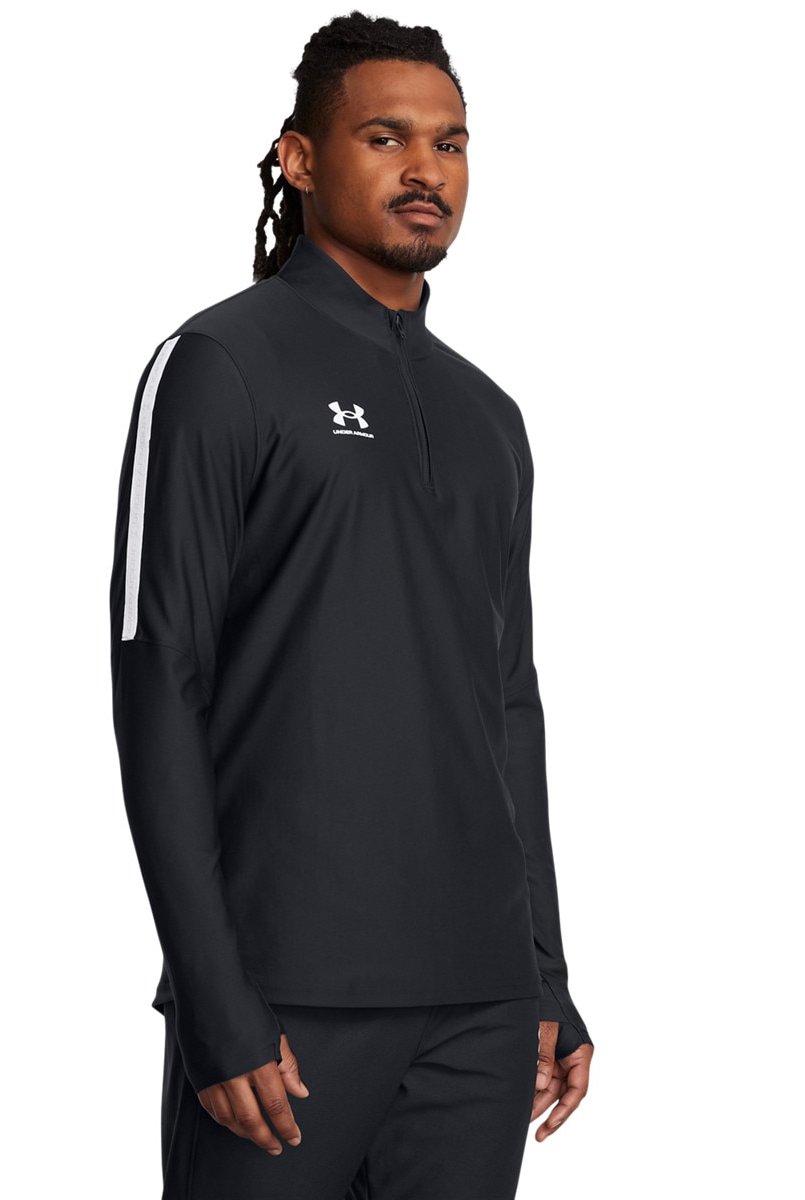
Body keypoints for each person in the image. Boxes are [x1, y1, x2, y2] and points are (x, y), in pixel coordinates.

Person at [109, 12, 594, 1198]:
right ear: (299, 158)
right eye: (386, 138)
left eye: (450, 143)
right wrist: (214, 996)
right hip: (286, 1003)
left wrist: (544, 974)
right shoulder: (222, 365)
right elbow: (159, 677)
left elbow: (509, 706)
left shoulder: (491, 418)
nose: (427, 169)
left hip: (480, 1011)